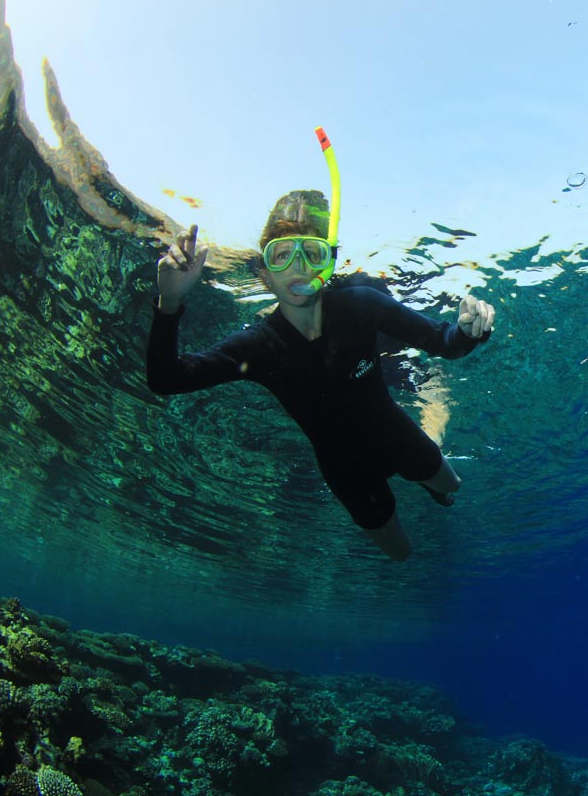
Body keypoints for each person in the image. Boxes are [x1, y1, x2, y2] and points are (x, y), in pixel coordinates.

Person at [146, 191, 495, 561]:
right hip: (345, 469)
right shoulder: (258, 346)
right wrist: (169, 303)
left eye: (311, 253)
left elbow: (444, 342)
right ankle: (427, 488)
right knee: (401, 554)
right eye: (282, 255)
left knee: (452, 486)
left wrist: (469, 331)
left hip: (397, 434)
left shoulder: (362, 305)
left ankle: (433, 488)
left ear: (327, 265)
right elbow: (166, 380)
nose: (297, 266)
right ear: (265, 274)